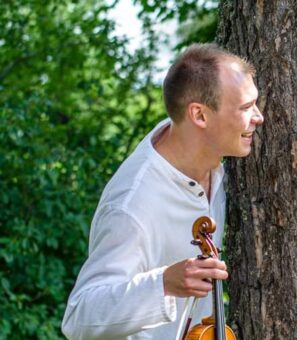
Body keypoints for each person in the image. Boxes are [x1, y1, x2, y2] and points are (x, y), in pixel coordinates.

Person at [62, 43, 264, 339]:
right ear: (200, 115)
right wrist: (164, 284)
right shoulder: (133, 204)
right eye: (246, 108)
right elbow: (80, 316)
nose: (258, 117)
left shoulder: (206, 154)